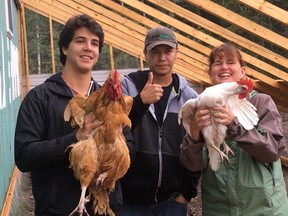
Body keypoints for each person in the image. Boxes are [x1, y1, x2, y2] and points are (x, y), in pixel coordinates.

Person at [14, 14, 134, 216]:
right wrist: (76, 137)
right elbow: (25, 156)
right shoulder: (40, 98)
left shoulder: (111, 102)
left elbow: (131, 147)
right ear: (64, 48)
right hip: (58, 211)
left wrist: (113, 142)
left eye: (94, 43)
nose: (88, 47)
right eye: (80, 41)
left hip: (104, 209)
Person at [180, 43, 288, 215]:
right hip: (219, 209)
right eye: (217, 63)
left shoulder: (261, 103)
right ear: (210, 73)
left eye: (230, 62)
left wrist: (234, 125)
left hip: (263, 209)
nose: (224, 67)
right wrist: (193, 135)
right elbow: (191, 165)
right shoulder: (202, 106)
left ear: (242, 71)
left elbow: (272, 151)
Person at [120, 26, 201, 215]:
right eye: (155, 52)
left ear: (177, 52)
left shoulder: (189, 97)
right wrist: (140, 102)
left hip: (172, 200)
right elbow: (115, 132)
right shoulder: (128, 88)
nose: (162, 57)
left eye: (168, 51)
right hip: (130, 200)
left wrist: (187, 193)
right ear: (145, 54)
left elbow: (197, 145)